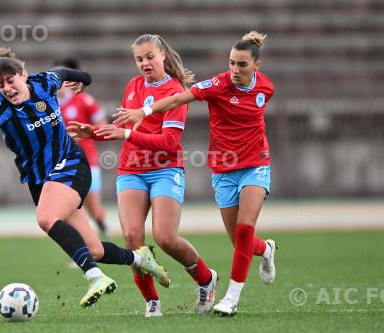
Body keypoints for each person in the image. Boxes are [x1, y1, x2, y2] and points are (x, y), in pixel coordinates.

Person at [0, 47, 169, 308]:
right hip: (42, 183)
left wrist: (80, 81)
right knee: (94, 250)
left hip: (71, 164)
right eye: (1, 83)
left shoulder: (45, 82)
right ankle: (141, 259)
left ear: (23, 75)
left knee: (46, 218)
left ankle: (94, 277)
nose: (7, 87)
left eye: (10, 79)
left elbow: (81, 74)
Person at [113, 31, 278, 316]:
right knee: (132, 238)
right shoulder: (216, 84)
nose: (234, 70)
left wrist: (136, 122)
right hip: (222, 169)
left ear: (256, 66)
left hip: (255, 164)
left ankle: (230, 298)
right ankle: (264, 250)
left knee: (240, 230)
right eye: (231, 63)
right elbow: (180, 99)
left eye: (241, 64)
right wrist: (143, 112)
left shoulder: (267, 88)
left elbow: (169, 137)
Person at [67, 34, 218, 317]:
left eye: (150, 57)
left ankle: (206, 280)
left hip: (165, 169)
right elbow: (122, 130)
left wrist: (126, 133)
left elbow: (168, 142)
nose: (144, 63)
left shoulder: (175, 92)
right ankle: (152, 302)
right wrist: (93, 133)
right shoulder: (133, 86)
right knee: (132, 238)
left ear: (162, 55)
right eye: (139, 59)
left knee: (165, 237)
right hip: (132, 170)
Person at [55, 58, 109, 237]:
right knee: (69, 209)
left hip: (87, 161)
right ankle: (81, 248)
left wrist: (85, 134)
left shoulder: (84, 100)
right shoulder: (48, 105)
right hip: (62, 165)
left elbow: (103, 124)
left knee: (93, 209)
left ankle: (102, 229)